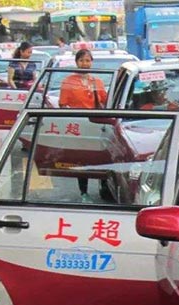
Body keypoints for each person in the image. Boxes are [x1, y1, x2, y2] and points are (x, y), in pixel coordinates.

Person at [58, 49, 109, 202]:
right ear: (76, 62)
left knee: (102, 156)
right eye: (81, 60)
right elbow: (62, 104)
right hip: (79, 124)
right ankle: (84, 192)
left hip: (97, 123)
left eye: (87, 60)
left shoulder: (97, 82)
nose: (85, 64)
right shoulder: (69, 81)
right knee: (82, 158)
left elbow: (105, 102)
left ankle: (105, 187)